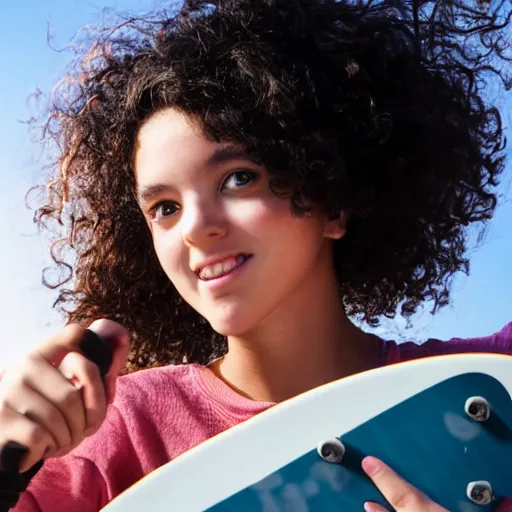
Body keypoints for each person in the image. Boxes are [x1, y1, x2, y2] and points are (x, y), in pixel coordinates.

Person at [0, 0, 510, 510]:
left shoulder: (493, 373)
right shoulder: (114, 437)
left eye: (238, 178)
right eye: (164, 207)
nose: (197, 229)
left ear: (333, 197)